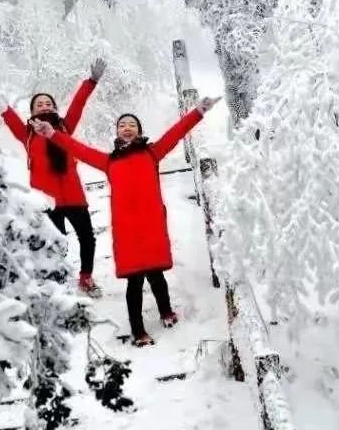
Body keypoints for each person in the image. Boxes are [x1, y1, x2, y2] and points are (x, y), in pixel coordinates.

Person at [31, 96, 221, 346]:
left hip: (151, 225)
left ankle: (166, 312)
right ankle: (138, 331)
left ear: (140, 131)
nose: (127, 127)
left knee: (156, 275)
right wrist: (53, 135)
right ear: (117, 133)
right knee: (134, 282)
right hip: (127, 230)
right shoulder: (109, 161)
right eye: (122, 125)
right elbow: (80, 150)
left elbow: (176, 132)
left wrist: (198, 111)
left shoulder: (153, 153)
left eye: (132, 124)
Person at [0, 59, 107, 297]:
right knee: (55, 244)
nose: (44, 106)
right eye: (39, 104)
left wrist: (91, 82)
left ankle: (86, 278)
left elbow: (78, 104)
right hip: (46, 200)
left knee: (87, 239)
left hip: (74, 195)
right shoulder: (26, 134)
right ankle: (58, 284)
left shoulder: (64, 128)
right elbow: (8, 114)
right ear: (33, 111)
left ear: (54, 108)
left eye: (48, 103)